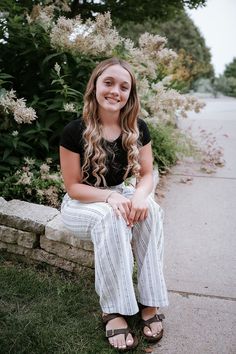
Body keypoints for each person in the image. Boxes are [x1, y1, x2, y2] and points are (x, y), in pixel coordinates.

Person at [59, 57, 168, 351]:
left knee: (152, 211)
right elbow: (73, 187)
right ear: (95, 85)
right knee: (111, 217)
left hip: (119, 192)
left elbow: (146, 174)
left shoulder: (138, 128)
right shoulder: (74, 131)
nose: (115, 91)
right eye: (108, 82)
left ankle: (149, 301)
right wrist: (110, 196)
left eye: (124, 86)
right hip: (82, 203)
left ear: (129, 95)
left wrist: (141, 196)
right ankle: (114, 310)